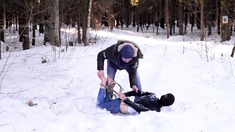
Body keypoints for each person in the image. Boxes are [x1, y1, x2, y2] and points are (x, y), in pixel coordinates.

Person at [96, 77, 175, 114]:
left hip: (125, 102)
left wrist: (125, 96)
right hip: (124, 104)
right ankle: (103, 85)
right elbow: (138, 95)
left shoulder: (153, 97)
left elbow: (137, 94)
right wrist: (124, 96)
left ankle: (105, 85)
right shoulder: (156, 108)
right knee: (99, 106)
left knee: (104, 104)